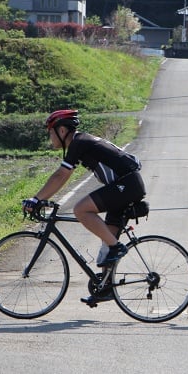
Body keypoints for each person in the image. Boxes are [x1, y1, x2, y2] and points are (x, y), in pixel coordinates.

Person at [22, 109, 146, 272]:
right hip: (127, 185)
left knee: (81, 209)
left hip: (127, 185)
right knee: (107, 243)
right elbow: (62, 176)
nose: (50, 137)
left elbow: (61, 175)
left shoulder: (78, 142)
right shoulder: (81, 141)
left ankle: (117, 247)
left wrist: (36, 199)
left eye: (50, 133)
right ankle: (105, 288)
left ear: (61, 130)